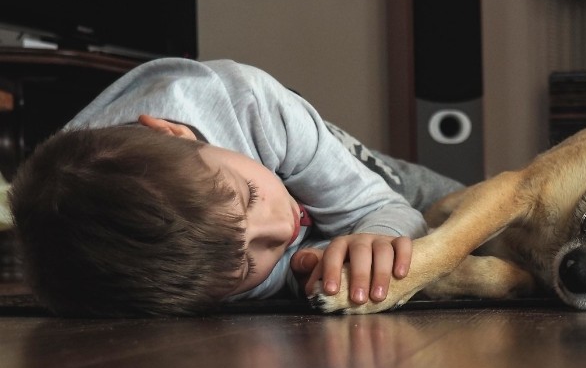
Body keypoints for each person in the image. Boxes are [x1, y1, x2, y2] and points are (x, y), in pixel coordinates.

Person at [9, 58, 463, 317]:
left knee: (476, 215)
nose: (281, 229)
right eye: (249, 264)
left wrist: (376, 234)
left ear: (174, 133)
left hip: (366, 175)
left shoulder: (247, 103)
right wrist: (299, 273)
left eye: (248, 196)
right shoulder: (151, 275)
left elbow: (386, 204)